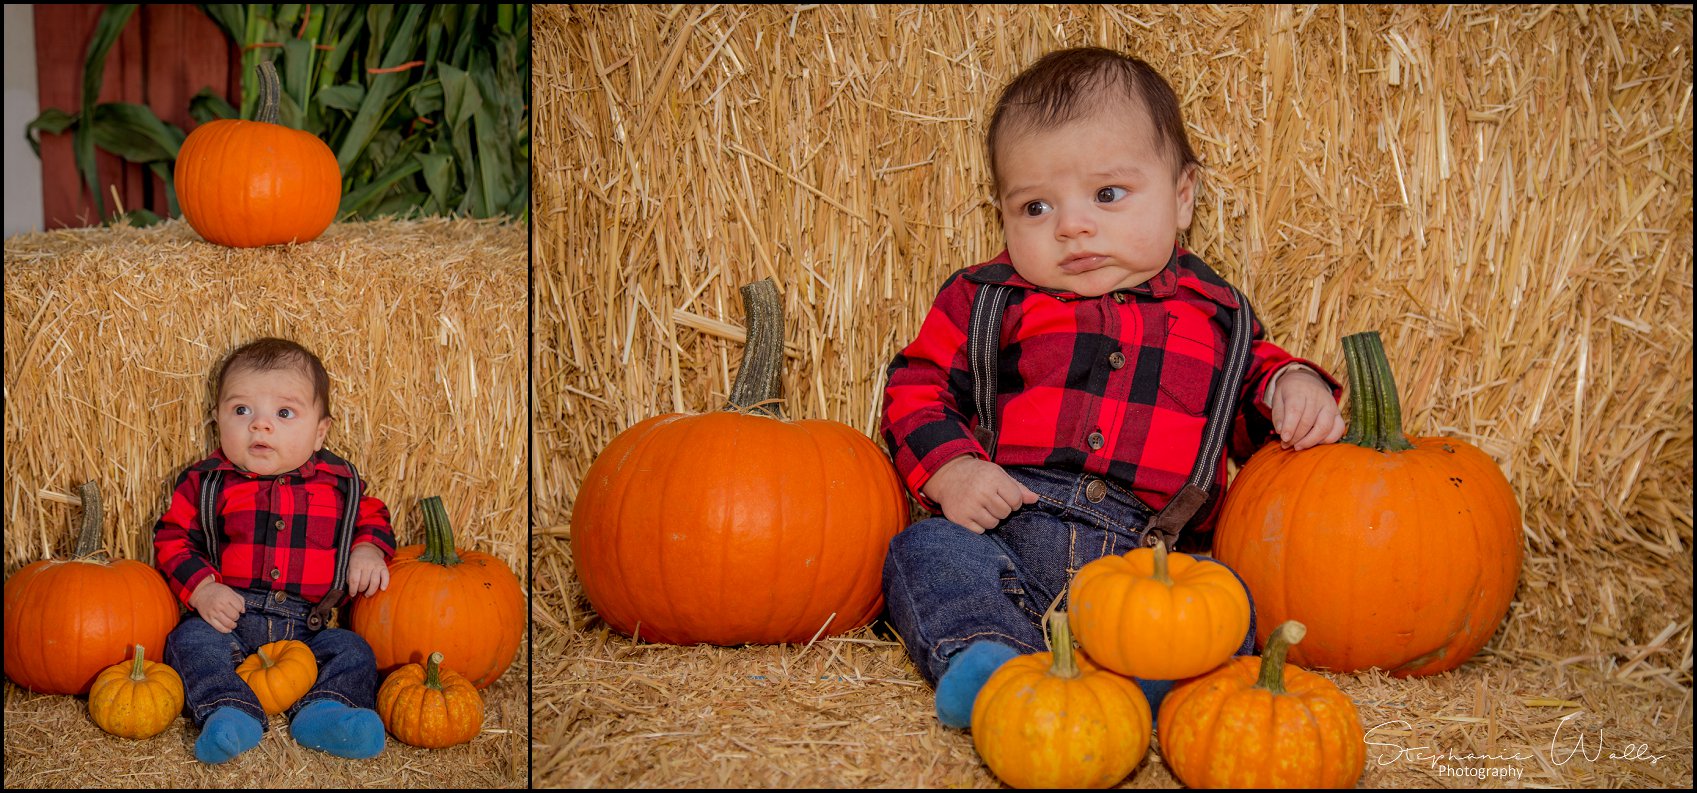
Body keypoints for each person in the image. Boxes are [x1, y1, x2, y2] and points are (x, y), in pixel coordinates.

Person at [879, 46, 1346, 729]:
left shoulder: (1218, 317)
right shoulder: (986, 299)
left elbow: (1248, 402)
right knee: (922, 552)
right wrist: (952, 468)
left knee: (1234, 597)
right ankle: (991, 666)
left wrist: (1293, 385)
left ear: (1182, 197)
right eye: (1036, 206)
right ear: (1001, 214)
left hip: (1150, 561)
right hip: (1010, 526)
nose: (1071, 225)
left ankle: (1160, 688)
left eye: (1106, 195)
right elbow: (916, 386)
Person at [154, 337, 395, 763]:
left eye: (284, 414)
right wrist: (202, 589)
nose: (260, 425)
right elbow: (172, 538)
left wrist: (367, 551)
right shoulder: (206, 482)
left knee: (355, 651)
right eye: (241, 410)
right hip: (229, 618)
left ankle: (325, 712)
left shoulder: (340, 483)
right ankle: (229, 711)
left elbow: (373, 518)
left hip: (310, 626)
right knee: (188, 641)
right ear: (217, 419)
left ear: (320, 431)